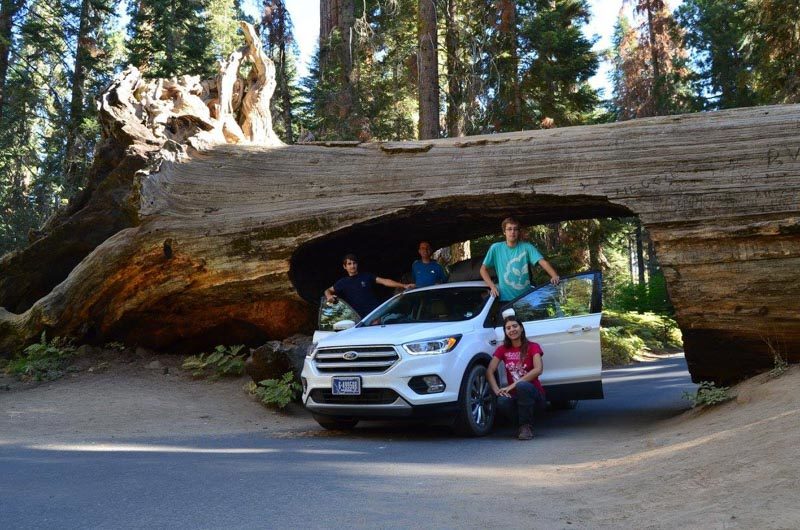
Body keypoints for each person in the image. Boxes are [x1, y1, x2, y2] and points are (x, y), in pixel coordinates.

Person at [487, 315, 546, 440]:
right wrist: (497, 390)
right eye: (508, 328)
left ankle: (526, 426)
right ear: (505, 332)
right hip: (514, 398)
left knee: (522, 385)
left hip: (534, 397)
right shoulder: (502, 349)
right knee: (502, 401)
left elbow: (538, 369)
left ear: (521, 328)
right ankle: (521, 426)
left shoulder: (533, 346)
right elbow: (490, 371)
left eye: (515, 326)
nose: (512, 330)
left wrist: (513, 385)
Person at [480, 217, 559, 302]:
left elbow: (542, 262)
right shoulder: (495, 248)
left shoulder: (527, 247)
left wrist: (554, 275)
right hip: (505, 300)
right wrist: (492, 286)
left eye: (515, 229)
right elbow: (483, 269)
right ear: (504, 232)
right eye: (509, 229)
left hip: (526, 299)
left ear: (518, 232)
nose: (512, 232)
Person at [324, 254, 414, 318]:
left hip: (375, 315)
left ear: (357, 264)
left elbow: (384, 281)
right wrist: (329, 296)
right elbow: (327, 290)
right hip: (359, 319)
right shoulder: (343, 282)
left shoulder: (366, 276)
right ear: (345, 267)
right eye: (349, 264)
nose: (352, 266)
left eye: (354, 263)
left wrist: (404, 285)